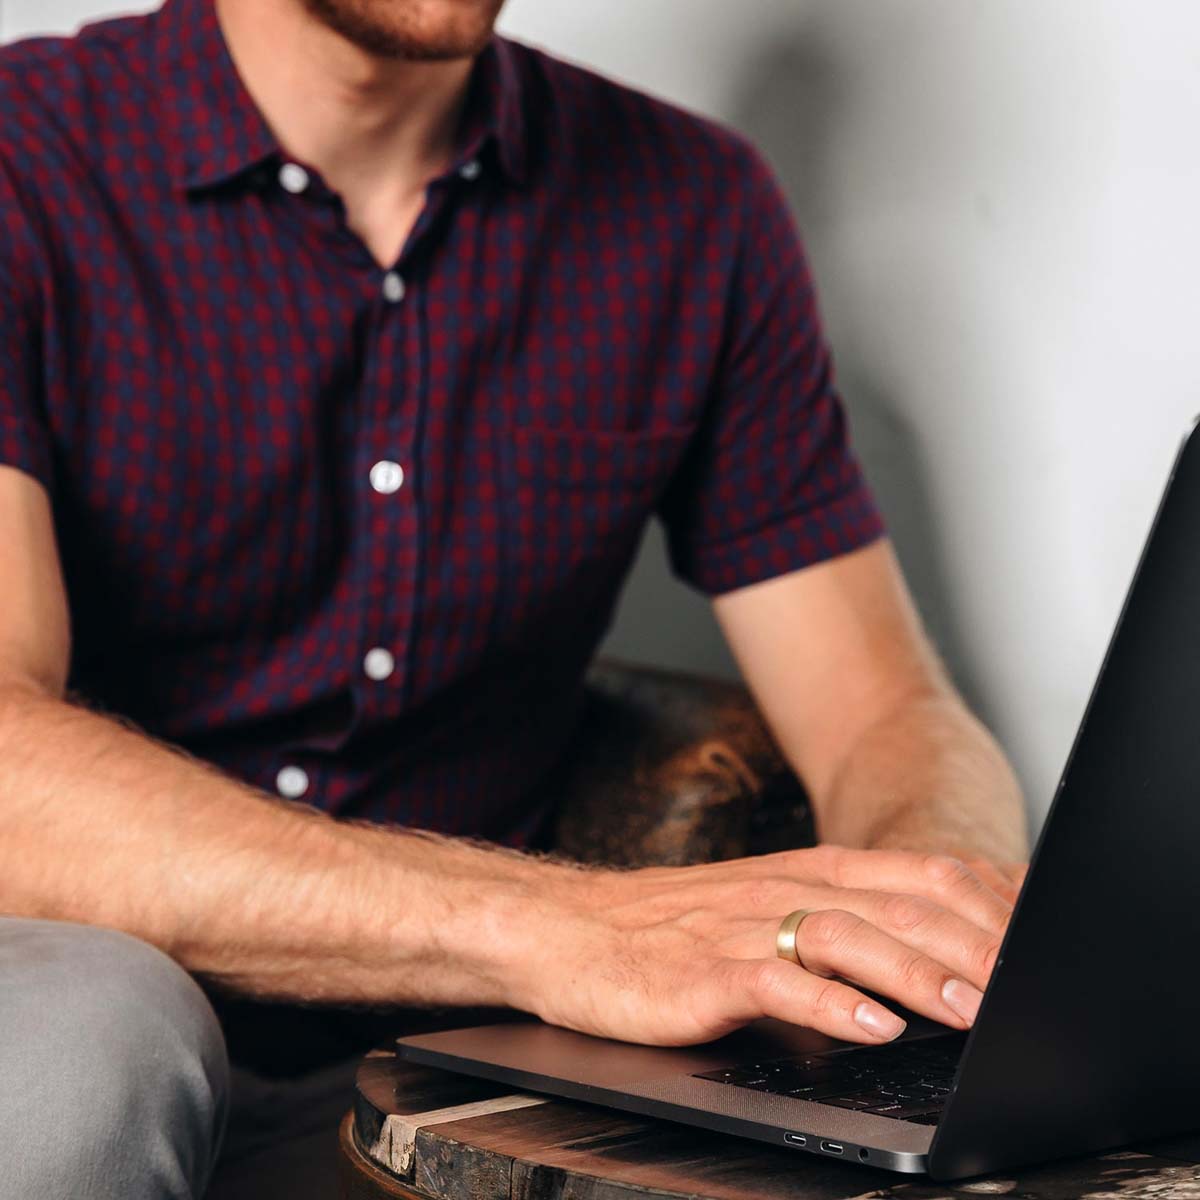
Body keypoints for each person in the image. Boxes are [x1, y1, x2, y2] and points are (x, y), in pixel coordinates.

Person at [0, 0, 1029, 1193]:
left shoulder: (696, 208)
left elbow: (884, 714)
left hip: (459, 1065)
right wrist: (565, 929)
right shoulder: (26, 157)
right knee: (95, 1038)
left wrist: (926, 929)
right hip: (74, 1007)